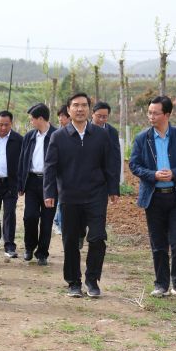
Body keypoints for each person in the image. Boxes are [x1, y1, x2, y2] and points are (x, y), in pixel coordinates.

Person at [44, 93, 120, 298]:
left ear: (89, 109)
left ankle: (92, 280)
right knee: (70, 240)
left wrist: (113, 189)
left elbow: (110, 163)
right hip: (70, 196)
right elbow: (50, 167)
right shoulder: (59, 137)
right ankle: (73, 282)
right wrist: (49, 192)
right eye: (75, 105)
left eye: (84, 105)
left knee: (97, 238)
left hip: (96, 195)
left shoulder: (101, 135)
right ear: (68, 110)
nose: (80, 109)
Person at [128, 95, 176, 299]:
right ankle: (161, 285)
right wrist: (153, 175)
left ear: (167, 114)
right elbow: (134, 165)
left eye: (155, 113)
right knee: (158, 243)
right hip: (154, 197)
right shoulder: (142, 138)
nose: (151, 116)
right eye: (149, 113)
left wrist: (174, 173)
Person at [77, 102, 123, 249]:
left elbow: (115, 160)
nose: (102, 119)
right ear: (92, 114)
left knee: (98, 213)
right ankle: (80, 233)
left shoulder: (111, 132)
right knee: (80, 213)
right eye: (99, 116)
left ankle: (96, 240)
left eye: (105, 117)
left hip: (100, 182)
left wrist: (114, 188)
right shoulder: (81, 129)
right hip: (80, 180)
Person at [18, 103, 57, 266]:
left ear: (40, 118)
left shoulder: (57, 135)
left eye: (32, 119)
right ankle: (29, 247)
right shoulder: (29, 136)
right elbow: (23, 160)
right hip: (32, 181)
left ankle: (42, 253)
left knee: (47, 221)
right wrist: (21, 184)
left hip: (51, 184)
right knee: (30, 217)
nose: (31, 122)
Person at [0, 110, 23, 259]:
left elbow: (23, 162)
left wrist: (21, 183)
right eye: (0, 124)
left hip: (10, 182)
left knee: (9, 213)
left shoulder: (18, 139)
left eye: (6, 125)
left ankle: (9, 245)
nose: (3, 128)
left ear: (11, 124)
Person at [52, 105, 70, 235]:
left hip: (71, 172)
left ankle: (59, 222)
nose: (60, 118)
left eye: (63, 116)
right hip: (59, 172)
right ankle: (58, 223)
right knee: (60, 199)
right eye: (59, 116)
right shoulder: (56, 134)